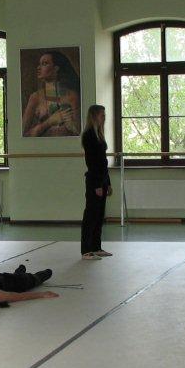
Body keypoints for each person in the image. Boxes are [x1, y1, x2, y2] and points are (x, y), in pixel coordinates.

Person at [22, 50, 80, 137]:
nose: (38, 68)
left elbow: (79, 132)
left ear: (56, 68)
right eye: (39, 64)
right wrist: (49, 122)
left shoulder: (72, 96)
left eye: (44, 63)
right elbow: (23, 135)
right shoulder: (35, 97)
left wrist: (72, 125)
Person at [81, 105, 112, 260]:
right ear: (94, 116)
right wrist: (97, 185)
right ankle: (86, 250)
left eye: (104, 115)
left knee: (99, 215)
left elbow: (103, 162)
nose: (104, 117)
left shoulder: (99, 134)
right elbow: (92, 162)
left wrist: (108, 182)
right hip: (94, 181)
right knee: (91, 215)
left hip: (102, 180)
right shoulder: (88, 136)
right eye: (101, 115)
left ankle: (96, 247)